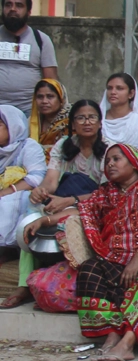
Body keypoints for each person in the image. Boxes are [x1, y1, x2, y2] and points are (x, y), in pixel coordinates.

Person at [75, 143, 138, 361]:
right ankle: (113, 331)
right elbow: (83, 207)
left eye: (116, 159)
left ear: (133, 162)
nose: (110, 164)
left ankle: (127, 344)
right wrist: (45, 220)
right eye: (107, 161)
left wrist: (137, 259)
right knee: (90, 269)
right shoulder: (106, 192)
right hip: (114, 256)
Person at [6, 100, 106, 309]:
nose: (86, 122)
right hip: (64, 197)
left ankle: (59, 284)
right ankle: (25, 284)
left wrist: (71, 201)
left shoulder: (110, 148)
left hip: (95, 204)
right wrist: (41, 191)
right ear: (72, 124)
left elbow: (107, 193)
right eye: (80, 118)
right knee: (31, 216)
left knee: (64, 219)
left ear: (99, 122)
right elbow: (51, 181)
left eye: (92, 117)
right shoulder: (63, 146)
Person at [0, 0, 58, 114]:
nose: (13, 9)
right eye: (8, 5)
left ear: (29, 12)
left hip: (29, 112)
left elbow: (51, 81)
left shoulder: (41, 40)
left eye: (19, 5)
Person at [0, 104, 47, 253]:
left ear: (13, 126)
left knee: (12, 200)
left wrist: (7, 191)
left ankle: (8, 247)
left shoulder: (28, 146)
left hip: (23, 198)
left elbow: (37, 177)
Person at [29, 79, 69, 159]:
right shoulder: (30, 122)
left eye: (50, 96)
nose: (44, 101)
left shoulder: (70, 122)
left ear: (61, 99)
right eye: (40, 97)